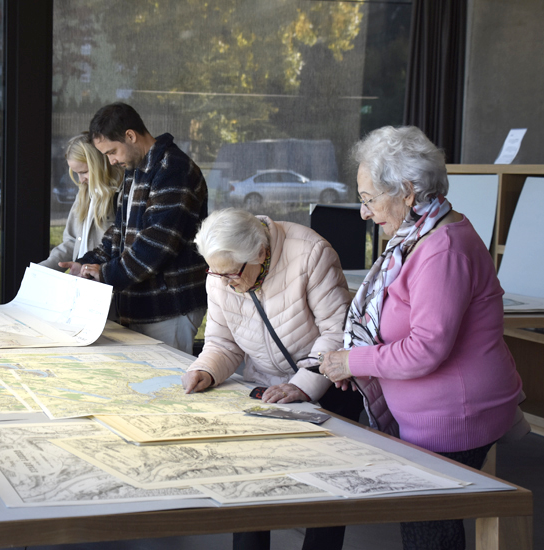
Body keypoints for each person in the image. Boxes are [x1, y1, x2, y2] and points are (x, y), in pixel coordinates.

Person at [318, 126, 525, 550]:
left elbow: (425, 349)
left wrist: (352, 362)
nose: (363, 212)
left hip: (456, 416)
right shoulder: (418, 236)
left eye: (369, 199)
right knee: (426, 528)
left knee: (427, 534)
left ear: (408, 192)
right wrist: (353, 361)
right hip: (434, 415)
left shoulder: (442, 248)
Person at [183, 207, 361, 550]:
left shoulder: (311, 252)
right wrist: (205, 370)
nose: (225, 283)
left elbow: (336, 333)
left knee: (326, 490)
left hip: (325, 381)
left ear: (260, 254)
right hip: (265, 387)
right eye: (215, 273)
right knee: (253, 483)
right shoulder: (222, 272)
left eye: (232, 274)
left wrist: (301, 385)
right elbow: (222, 342)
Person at [62, 103, 208, 355]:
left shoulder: (174, 170)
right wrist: (86, 264)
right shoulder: (134, 171)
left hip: (169, 307)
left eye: (112, 152)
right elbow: (117, 235)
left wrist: (104, 274)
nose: (111, 160)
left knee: (165, 389)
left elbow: (155, 247)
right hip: (140, 306)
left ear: (130, 136)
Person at [39, 133, 123, 272]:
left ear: (99, 164)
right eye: (76, 173)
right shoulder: (83, 194)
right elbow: (72, 240)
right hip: (82, 283)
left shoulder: (120, 195)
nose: (80, 179)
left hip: (105, 285)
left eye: (84, 172)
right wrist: (45, 268)